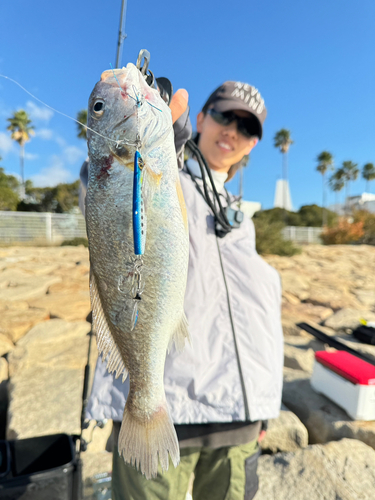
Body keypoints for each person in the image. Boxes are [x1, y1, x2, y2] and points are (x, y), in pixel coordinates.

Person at [81, 80, 283, 500]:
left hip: (240, 415)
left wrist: (264, 403)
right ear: (202, 119)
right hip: (167, 405)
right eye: (225, 116)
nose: (232, 131)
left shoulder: (241, 218)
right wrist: (160, 139)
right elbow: (98, 188)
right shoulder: (167, 173)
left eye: (247, 128)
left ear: (253, 145)